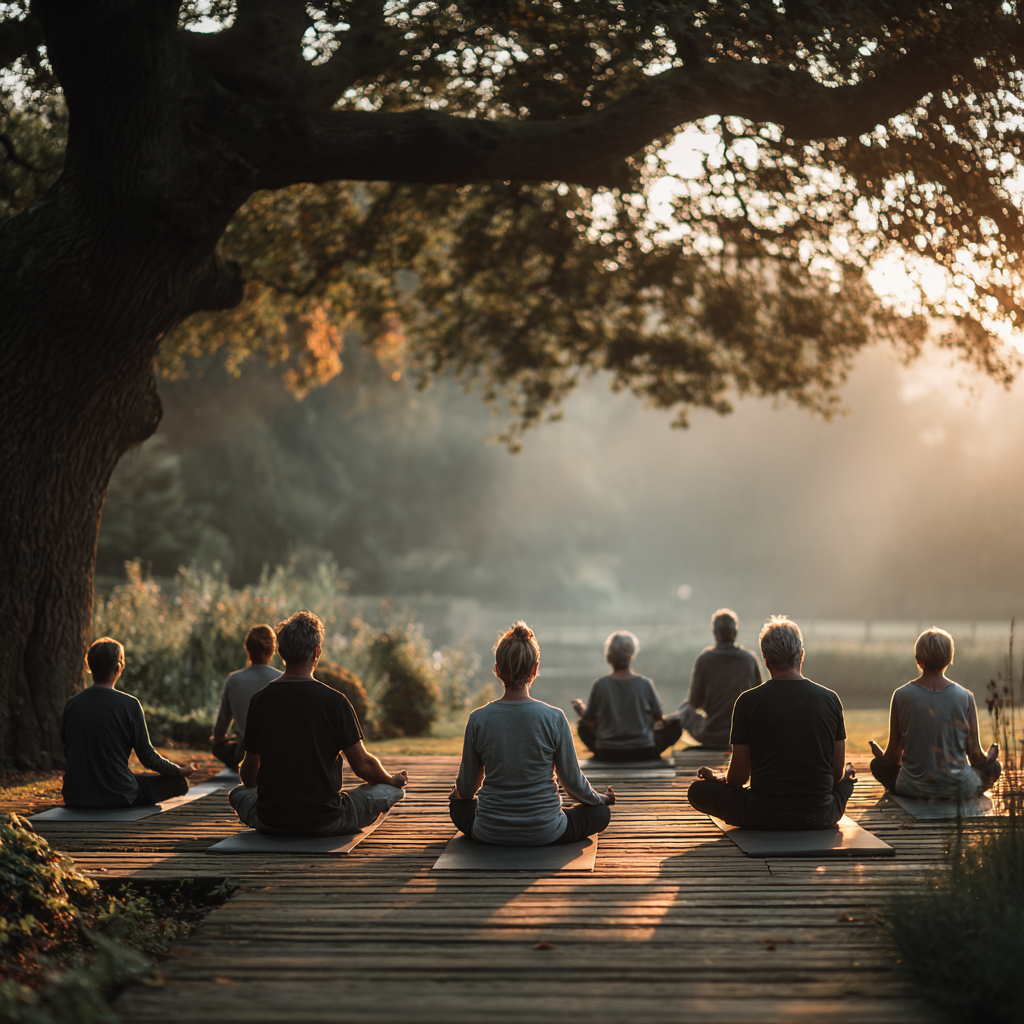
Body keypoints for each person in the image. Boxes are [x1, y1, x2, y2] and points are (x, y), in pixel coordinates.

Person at [229, 610, 408, 836]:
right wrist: (391, 779)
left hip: (271, 820)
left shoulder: (259, 701)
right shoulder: (336, 702)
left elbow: (248, 776)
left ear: (281, 652)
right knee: (391, 791)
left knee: (237, 794)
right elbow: (363, 766)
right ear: (316, 652)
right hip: (327, 821)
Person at [450, 621, 615, 845]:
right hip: (547, 832)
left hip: (489, 832)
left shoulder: (478, 719)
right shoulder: (555, 717)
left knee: (457, 805)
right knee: (600, 814)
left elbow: (468, 788)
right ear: (535, 669)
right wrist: (600, 799)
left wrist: (456, 794)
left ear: (497, 669)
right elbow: (573, 784)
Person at [687, 616, 856, 830]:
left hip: (762, 815)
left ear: (765, 659)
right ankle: (848, 786)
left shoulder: (747, 702)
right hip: (821, 814)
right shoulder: (830, 699)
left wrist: (719, 778)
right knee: (845, 780)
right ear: (801, 655)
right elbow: (835, 773)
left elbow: (738, 778)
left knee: (697, 791)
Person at [60, 637, 195, 808]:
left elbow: (67, 749)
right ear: (118, 669)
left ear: (90, 667)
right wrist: (179, 771)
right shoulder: (129, 705)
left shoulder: (72, 704)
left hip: (75, 796)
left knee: (135, 777)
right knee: (179, 783)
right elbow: (148, 757)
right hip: (118, 794)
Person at [868, 627, 1001, 799]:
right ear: (949, 659)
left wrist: (881, 756)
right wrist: (989, 759)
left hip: (911, 789)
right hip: (961, 789)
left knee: (877, 766)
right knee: (995, 768)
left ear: (917, 659)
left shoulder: (900, 695)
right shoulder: (966, 696)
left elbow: (893, 755)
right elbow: (975, 755)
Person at [571, 630, 682, 761]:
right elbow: (658, 717)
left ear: (608, 657)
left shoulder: (600, 684)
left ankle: (605, 751)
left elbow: (588, 720)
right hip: (643, 751)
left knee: (582, 727)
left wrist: (581, 712)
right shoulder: (645, 684)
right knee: (676, 729)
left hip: (607, 752)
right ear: (632, 656)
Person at [666, 609, 761, 750]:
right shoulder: (749, 659)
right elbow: (759, 699)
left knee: (685, 709)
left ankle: (664, 722)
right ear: (735, 632)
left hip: (711, 733)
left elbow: (694, 702)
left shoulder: (705, 659)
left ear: (714, 633)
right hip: (743, 734)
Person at [210, 624, 281, 770]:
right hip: (277, 753)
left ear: (247, 649)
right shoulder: (281, 678)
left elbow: (222, 723)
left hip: (245, 754)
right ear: (272, 650)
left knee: (218, 747)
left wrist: (219, 739)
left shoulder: (234, 679)